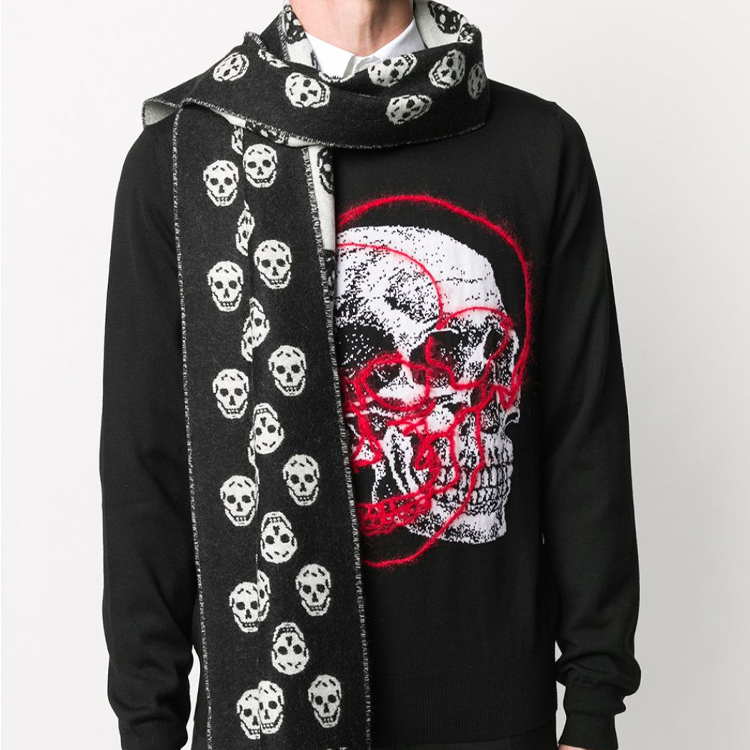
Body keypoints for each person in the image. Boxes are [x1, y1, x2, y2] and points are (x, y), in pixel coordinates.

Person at [99, 2, 641, 749]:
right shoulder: (183, 164)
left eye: (475, 353)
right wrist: (147, 726)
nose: (465, 390)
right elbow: (147, 469)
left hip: (493, 718)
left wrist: (592, 706)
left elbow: (585, 439)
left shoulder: (537, 145)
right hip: (269, 721)